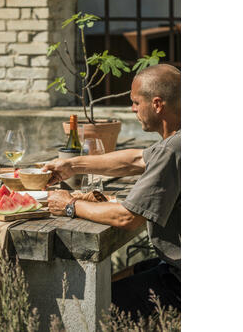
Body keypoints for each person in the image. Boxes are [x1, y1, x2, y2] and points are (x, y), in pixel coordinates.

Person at [43, 64, 181, 319]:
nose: (133, 109)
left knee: (94, 307)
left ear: (158, 104)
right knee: (118, 277)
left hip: (180, 283)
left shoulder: (174, 149)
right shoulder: (177, 141)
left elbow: (127, 218)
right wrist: (71, 165)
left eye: (136, 102)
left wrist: (69, 205)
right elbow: (136, 160)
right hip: (173, 267)